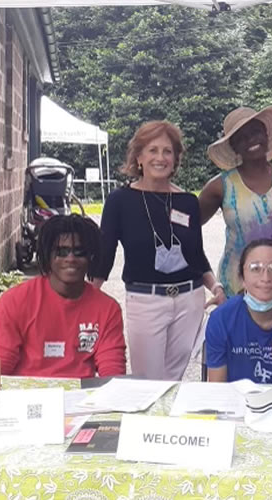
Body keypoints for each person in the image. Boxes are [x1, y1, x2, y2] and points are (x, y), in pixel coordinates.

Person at [94, 121, 225, 381]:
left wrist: (216, 287)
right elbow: (104, 253)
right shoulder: (120, 201)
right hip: (145, 301)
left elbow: (196, 254)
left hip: (189, 299)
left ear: (176, 159)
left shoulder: (187, 202)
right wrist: (89, 294)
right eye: (152, 150)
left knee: (173, 380)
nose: (160, 157)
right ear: (139, 157)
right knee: (148, 381)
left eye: (167, 151)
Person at [200, 105, 272, 309]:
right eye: (242, 137)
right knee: (242, 341)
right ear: (233, 147)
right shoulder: (221, 186)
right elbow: (186, 232)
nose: (251, 140)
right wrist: (207, 279)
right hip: (238, 287)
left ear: (266, 134)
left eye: (256, 132)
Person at [0, 215, 126, 379]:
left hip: (81, 400)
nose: (70, 259)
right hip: (26, 399)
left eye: (80, 252)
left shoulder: (108, 309)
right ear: (47, 256)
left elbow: (113, 374)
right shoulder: (14, 302)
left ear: (91, 257)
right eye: (61, 252)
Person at [205, 239, 272, 384]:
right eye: (255, 269)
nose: (266, 278)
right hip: (234, 403)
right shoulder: (220, 320)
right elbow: (218, 389)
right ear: (242, 278)